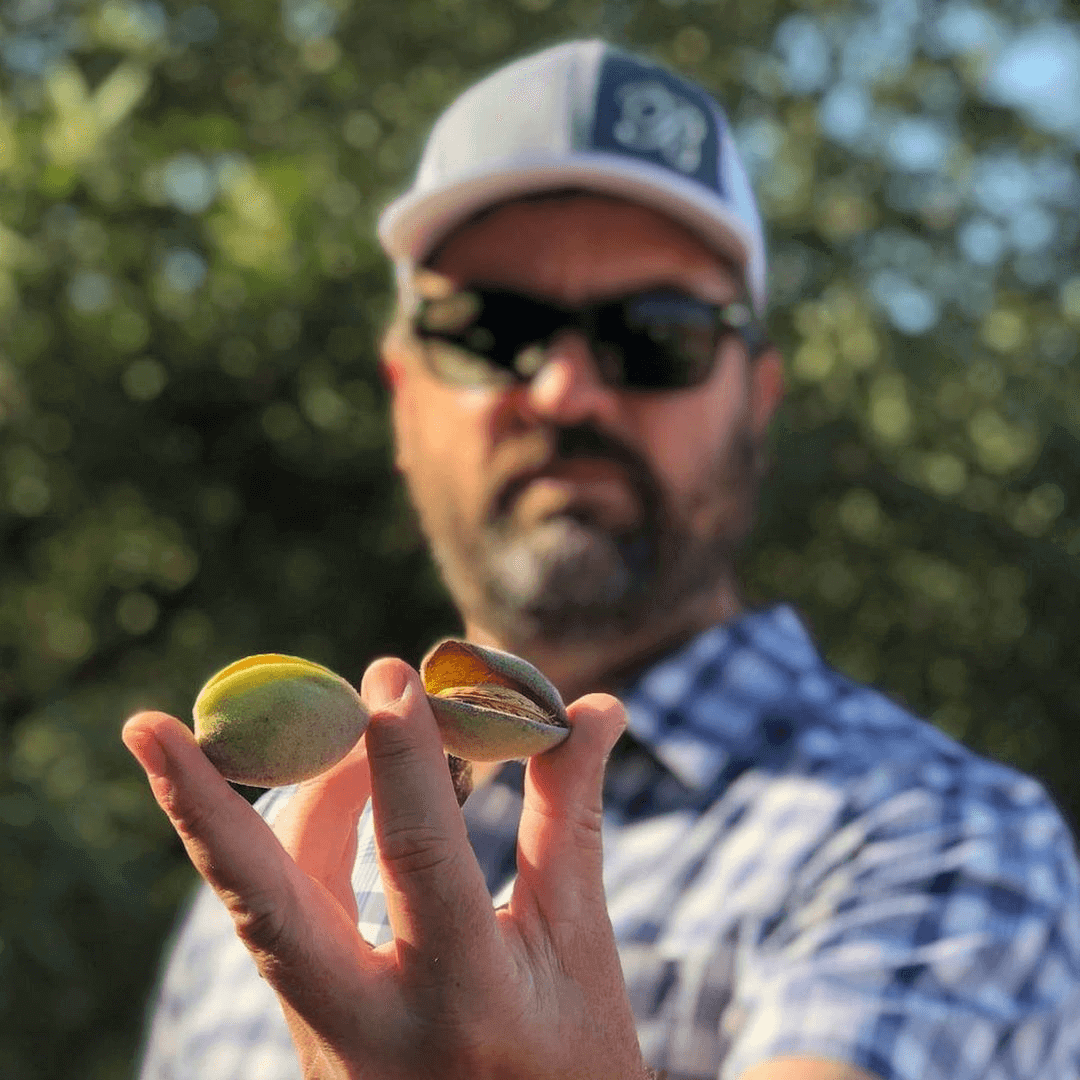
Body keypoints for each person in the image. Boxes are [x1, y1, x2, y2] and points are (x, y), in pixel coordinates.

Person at [123, 39, 1080, 1080]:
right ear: (403, 399)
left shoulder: (944, 838)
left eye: (655, 333)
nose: (565, 392)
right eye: (491, 328)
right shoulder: (263, 874)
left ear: (756, 403)